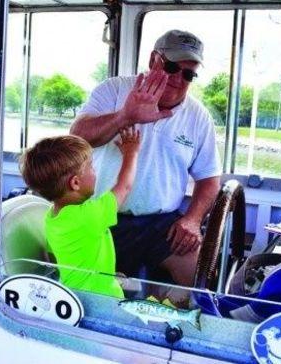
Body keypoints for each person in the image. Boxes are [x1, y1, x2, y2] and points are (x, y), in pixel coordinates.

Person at [70, 29, 221, 288]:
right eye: (172, 67)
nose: (178, 79)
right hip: (101, 214)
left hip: (160, 224)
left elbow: (209, 179)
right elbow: (77, 137)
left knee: (198, 276)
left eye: (188, 74)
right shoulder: (114, 90)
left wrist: (193, 220)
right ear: (154, 60)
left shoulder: (198, 116)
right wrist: (125, 116)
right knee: (84, 285)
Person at [21, 130, 141, 298]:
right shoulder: (87, 216)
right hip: (101, 298)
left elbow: (54, 256)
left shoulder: (52, 216)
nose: (95, 170)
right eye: (91, 166)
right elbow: (124, 187)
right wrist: (131, 153)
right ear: (75, 183)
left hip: (74, 293)